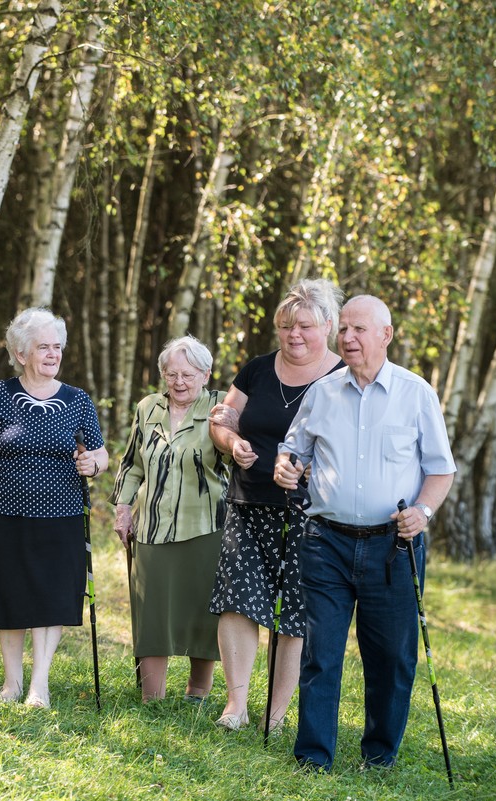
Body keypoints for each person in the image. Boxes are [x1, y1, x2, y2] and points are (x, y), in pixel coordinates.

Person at [274, 294, 456, 772]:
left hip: (394, 546)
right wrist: (286, 468)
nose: (348, 338)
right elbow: (294, 451)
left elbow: (441, 471)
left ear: (386, 335)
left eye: (359, 329)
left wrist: (423, 511)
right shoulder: (322, 392)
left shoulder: (416, 393)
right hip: (326, 542)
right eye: (344, 330)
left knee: (391, 660)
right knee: (321, 653)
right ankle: (313, 757)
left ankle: (378, 755)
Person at [207, 279, 344, 731]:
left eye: (304, 325)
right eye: (286, 326)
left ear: (327, 325)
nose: (294, 334)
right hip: (249, 503)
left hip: (312, 513)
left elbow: (352, 447)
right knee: (238, 601)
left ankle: (276, 714)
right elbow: (223, 420)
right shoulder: (257, 370)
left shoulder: (342, 378)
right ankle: (237, 706)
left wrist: (309, 468)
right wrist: (232, 443)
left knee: (295, 614)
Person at [0, 307, 108, 708]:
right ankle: (12, 681)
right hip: (7, 513)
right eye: (43, 347)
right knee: (11, 595)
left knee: (52, 595)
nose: (52, 354)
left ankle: (40, 683)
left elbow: (99, 453)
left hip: (63, 514)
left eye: (57, 347)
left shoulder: (77, 401)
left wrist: (92, 464)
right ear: (21, 353)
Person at [110, 335, 228, 703]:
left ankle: (198, 694)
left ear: (206, 374)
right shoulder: (148, 408)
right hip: (152, 526)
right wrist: (123, 508)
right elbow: (131, 465)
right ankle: (152, 698)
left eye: (188, 374)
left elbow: (237, 461)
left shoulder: (220, 408)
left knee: (202, 613)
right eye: (171, 374)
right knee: (152, 614)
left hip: (207, 526)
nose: (179, 382)